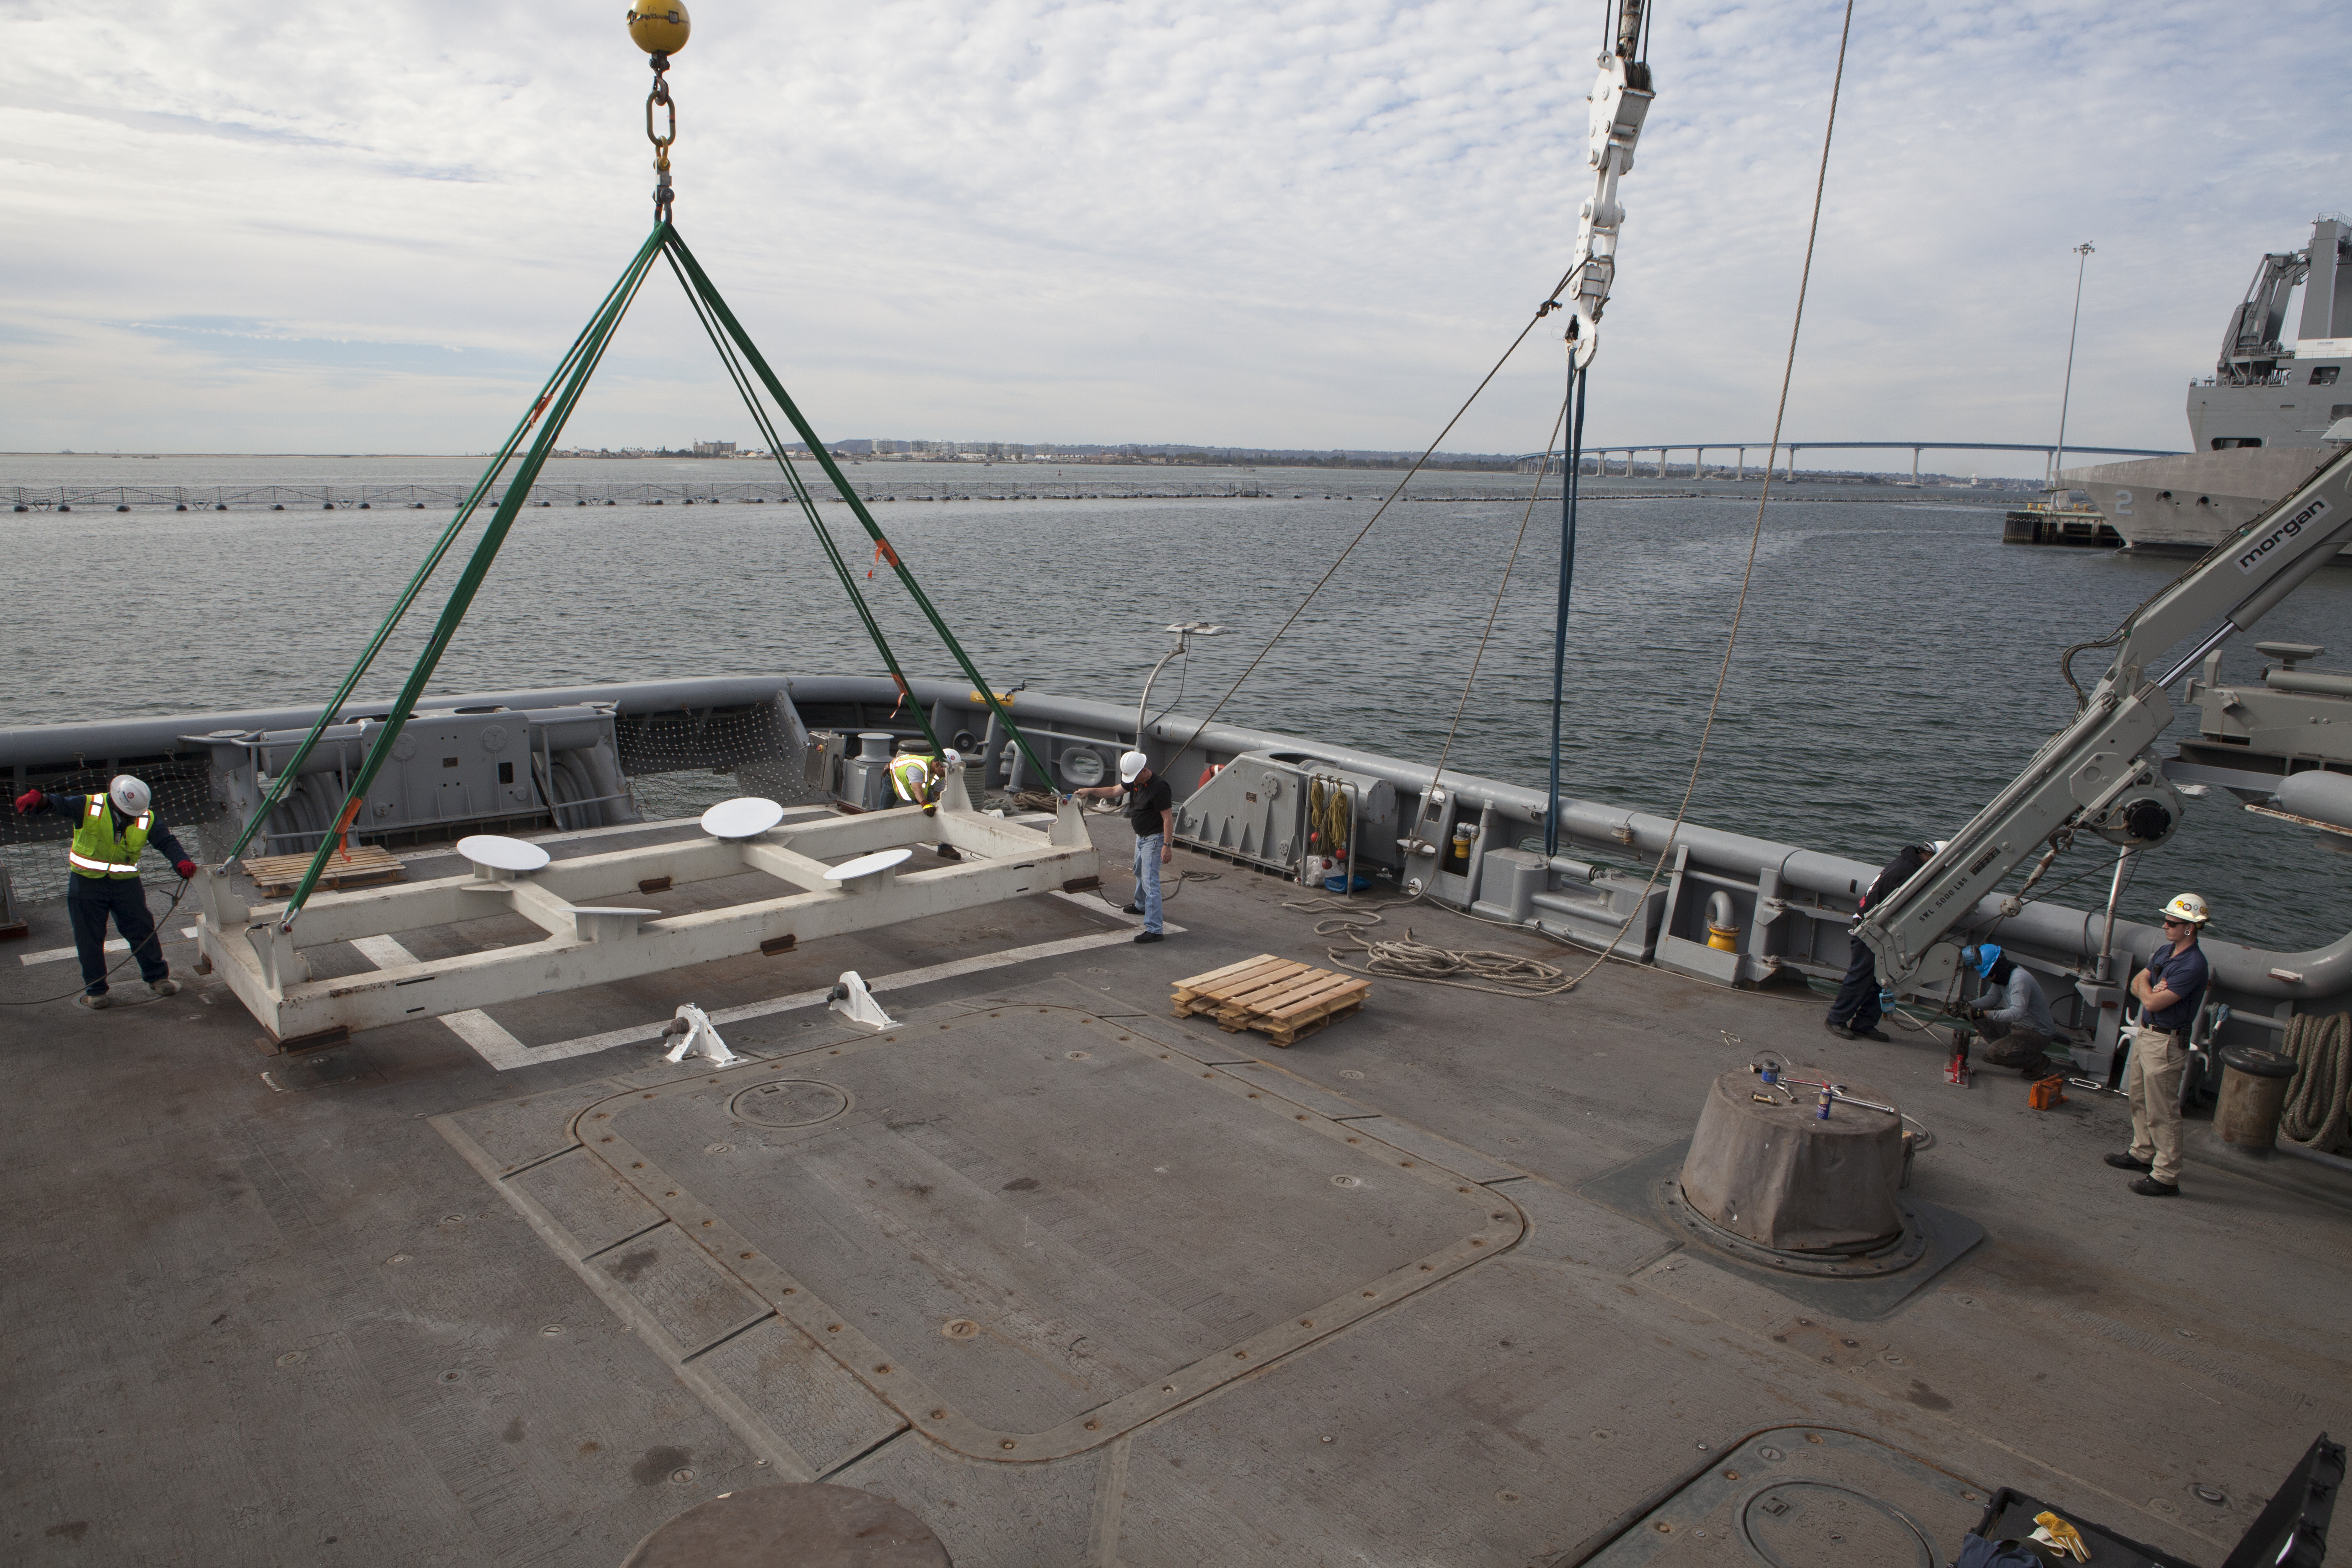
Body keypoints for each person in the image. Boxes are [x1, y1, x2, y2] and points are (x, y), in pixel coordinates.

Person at [13, 774, 197, 1010]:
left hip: (126, 884)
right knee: (89, 938)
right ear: (117, 802)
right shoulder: (89, 805)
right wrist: (40, 799)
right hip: (87, 884)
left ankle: (158, 978)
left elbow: (167, 841)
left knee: (142, 930)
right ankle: (96, 990)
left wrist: (181, 860)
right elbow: (59, 804)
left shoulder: (146, 817)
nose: (133, 818)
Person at [2105, 893, 2211, 1198]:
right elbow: (2137, 983)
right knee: (2139, 1099)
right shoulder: (2167, 951)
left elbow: (2150, 1001)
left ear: (2190, 928)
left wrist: (2148, 990)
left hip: (2165, 1042)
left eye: (2171, 923)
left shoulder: (2193, 966)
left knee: (2162, 1110)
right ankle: (2143, 1152)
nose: (2165, 926)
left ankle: (2166, 1175)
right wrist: (2151, 988)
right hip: (2147, 1034)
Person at [1826, 839, 1942, 1041]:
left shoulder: (1905, 864)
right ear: (1931, 858)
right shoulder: (1909, 873)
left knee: (1883, 980)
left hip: (1876, 928)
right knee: (1861, 977)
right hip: (1871, 930)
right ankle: (1836, 1019)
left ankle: (1864, 1024)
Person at [1072, 750, 1171, 944]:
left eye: (1134, 779)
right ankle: (1142, 906)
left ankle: (1155, 929)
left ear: (1144, 771)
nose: (1132, 783)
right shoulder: (1136, 780)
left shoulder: (1160, 788)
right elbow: (1113, 791)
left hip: (1154, 840)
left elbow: (1167, 818)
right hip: (1141, 837)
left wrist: (1167, 846)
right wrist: (1090, 791)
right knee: (1139, 872)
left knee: (1150, 882)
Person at [1958, 944, 2057, 1078]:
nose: (1991, 979)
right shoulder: (2004, 975)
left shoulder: (2019, 980)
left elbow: (2017, 1013)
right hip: (2019, 1026)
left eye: (1991, 974)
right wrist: (1967, 1006)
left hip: (2037, 1034)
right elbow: (1992, 999)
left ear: (1998, 967)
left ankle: (2038, 1062)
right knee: (1974, 1015)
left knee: (1994, 1052)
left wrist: (1984, 1013)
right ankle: (2004, 1052)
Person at [887, 741, 958, 815]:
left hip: (918, 785)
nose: (947, 774)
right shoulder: (918, 769)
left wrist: (939, 801)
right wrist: (925, 804)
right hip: (893, 779)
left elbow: (938, 791)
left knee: (932, 807)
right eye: (946, 771)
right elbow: (916, 789)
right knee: (884, 810)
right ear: (937, 765)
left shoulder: (940, 771)